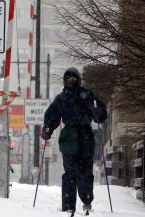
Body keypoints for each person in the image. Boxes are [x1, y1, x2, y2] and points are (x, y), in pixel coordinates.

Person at [41, 67, 107, 215]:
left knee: (86, 173)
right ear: (65, 80)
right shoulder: (61, 98)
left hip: (85, 140)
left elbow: (101, 112)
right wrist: (47, 129)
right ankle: (68, 205)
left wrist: (99, 113)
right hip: (69, 140)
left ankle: (87, 200)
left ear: (78, 79)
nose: (71, 80)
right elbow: (52, 116)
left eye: (74, 77)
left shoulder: (87, 95)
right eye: (68, 78)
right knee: (70, 174)